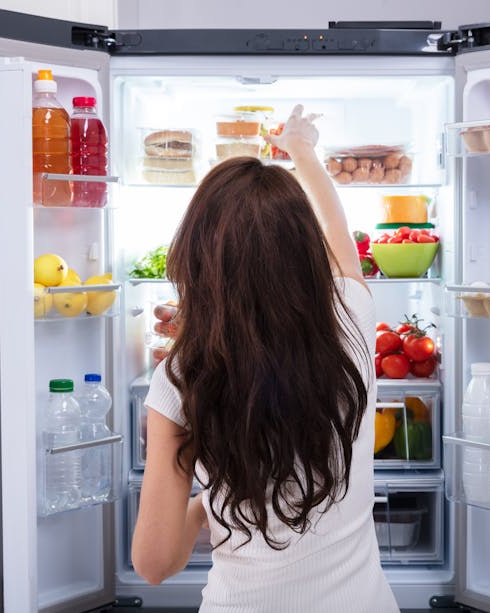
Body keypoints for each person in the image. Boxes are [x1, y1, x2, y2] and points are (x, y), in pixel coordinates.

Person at [131, 105, 397, 612]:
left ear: (197, 260)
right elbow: (338, 233)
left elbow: (154, 562)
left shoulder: (181, 377)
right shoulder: (355, 324)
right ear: (305, 253)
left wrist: (203, 510)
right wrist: (301, 150)